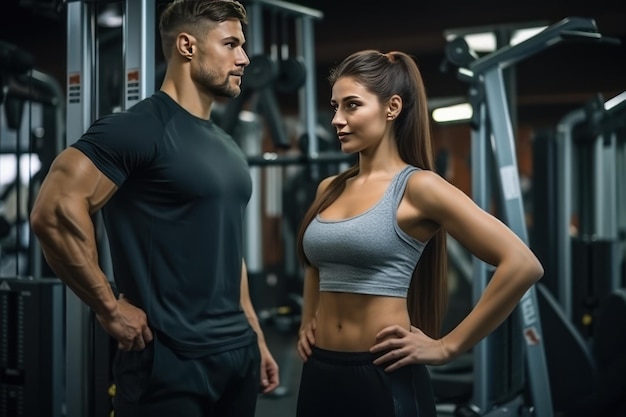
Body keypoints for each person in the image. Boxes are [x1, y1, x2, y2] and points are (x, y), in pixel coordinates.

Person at [29, 1, 280, 416]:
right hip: (169, 362)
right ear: (187, 46)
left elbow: (226, 249)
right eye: (231, 44)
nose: (244, 58)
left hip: (236, 354)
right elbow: (53, 213)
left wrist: (255, 335)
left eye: (243, 46)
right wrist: (108, 306)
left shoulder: (228, 146)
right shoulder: (138, 128)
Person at [294, 49, 544, 417]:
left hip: (384, 373)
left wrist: (448, 347)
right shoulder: (329, 188)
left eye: (351, 106)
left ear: (392, 107)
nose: (337, 119)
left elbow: (522, 264)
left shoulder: (418, 188)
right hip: (320, 369)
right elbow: (316, 262)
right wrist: (306, 321)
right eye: (334, 107)